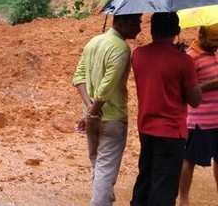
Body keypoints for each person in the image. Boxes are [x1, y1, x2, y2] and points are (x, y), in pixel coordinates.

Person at [130, 12, 202, 206]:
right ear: (177, 31)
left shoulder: (138, 55)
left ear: (152, 30)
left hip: (146, 127)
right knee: (164, 186)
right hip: (172, 131)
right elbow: (195, 100)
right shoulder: (184, 61)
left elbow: (157, 72)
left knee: (145, 179)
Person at [72, 13, 142, 206]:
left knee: (98, 164)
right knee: (105, 170)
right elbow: (106, 88)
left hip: (92, 117)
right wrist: (94, 111)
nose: (140, 27)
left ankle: (105, 199)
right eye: (137, 22)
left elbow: (78, 77)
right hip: (111, 119)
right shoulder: (121, 49)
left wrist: (89, 109)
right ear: (122, 22)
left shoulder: (93, 42)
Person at [178, 24, 218, 206]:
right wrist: (211, 84)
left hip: (217, 119)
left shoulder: (214, 53)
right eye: (214, 40)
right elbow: (186, 90)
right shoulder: (190, 57)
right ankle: (184, 199)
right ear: (201, 35)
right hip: (199, 121)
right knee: (189, 160)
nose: (216, 44)